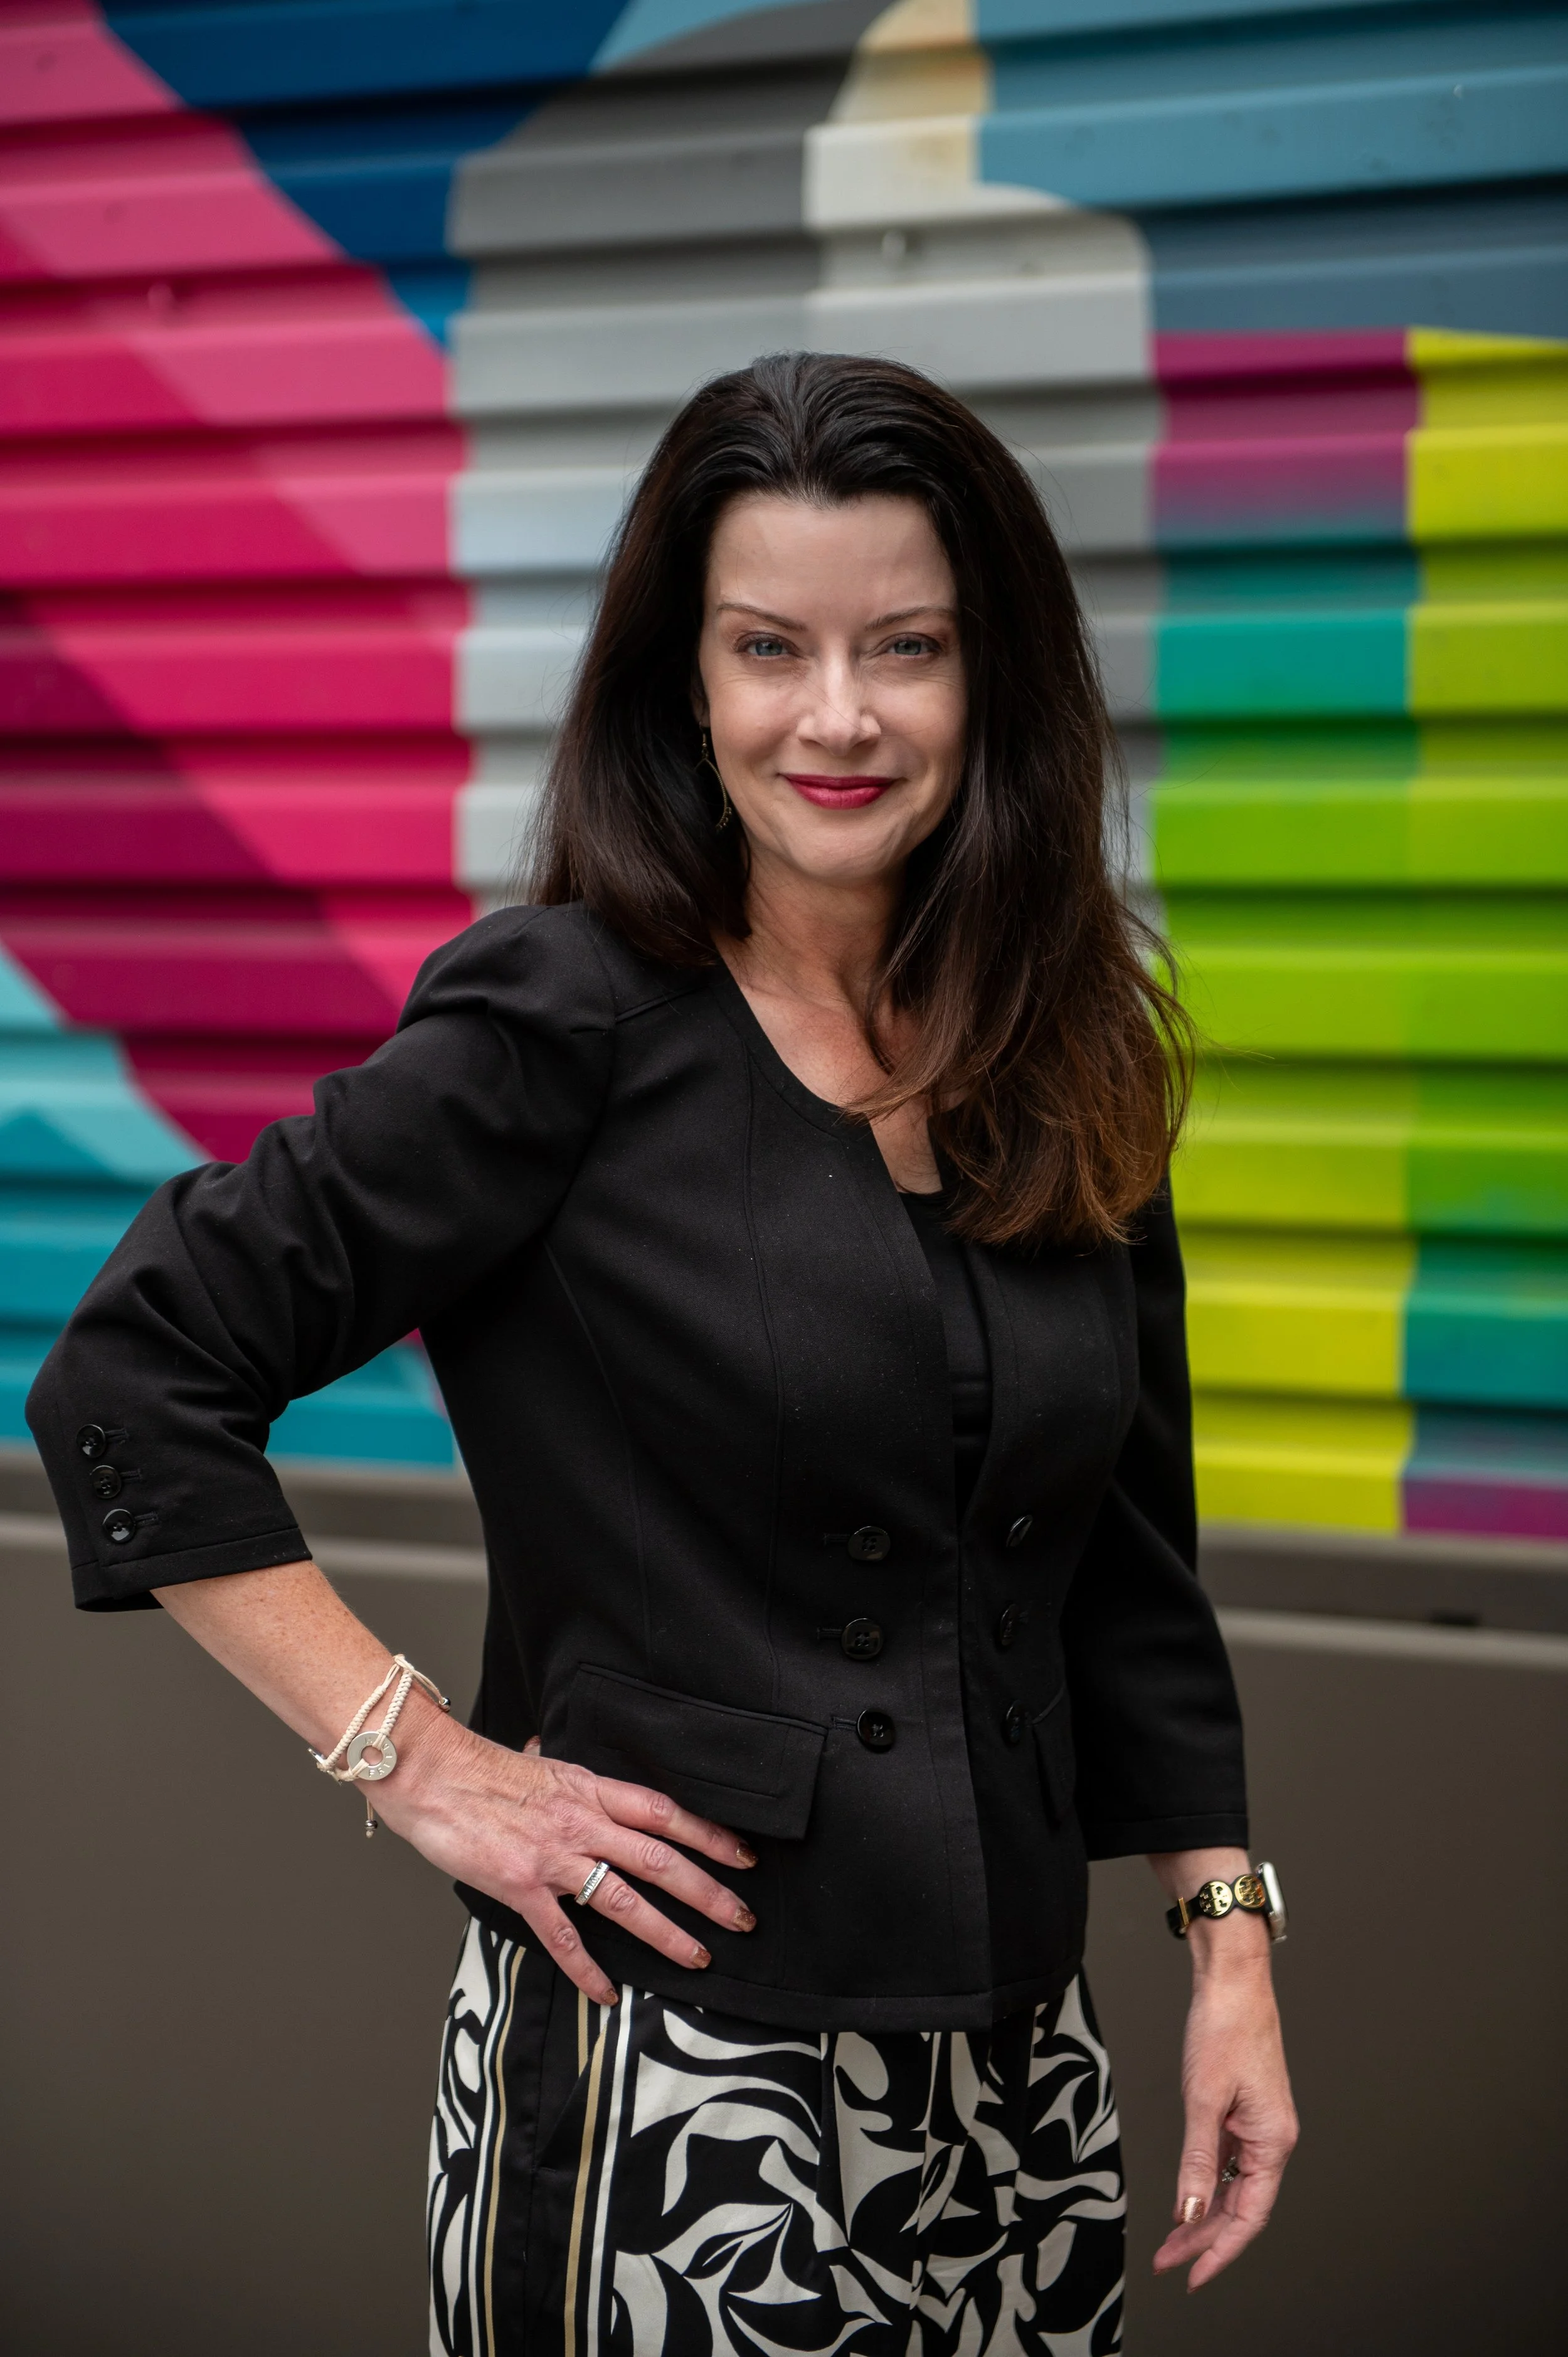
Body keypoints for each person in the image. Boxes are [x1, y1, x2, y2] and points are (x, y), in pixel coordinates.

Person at [29, 351, 1296, 2354]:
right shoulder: (563, 1022)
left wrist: (1224, 1946)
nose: (839, 715)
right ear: (683, 685)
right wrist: (423, 1760)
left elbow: (1121, 1559)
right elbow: (134, 1369)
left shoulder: (1068, 1042)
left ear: (998, 679)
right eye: (767, 647)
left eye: (909, 646)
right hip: (672, 2072)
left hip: (1018, 2079)